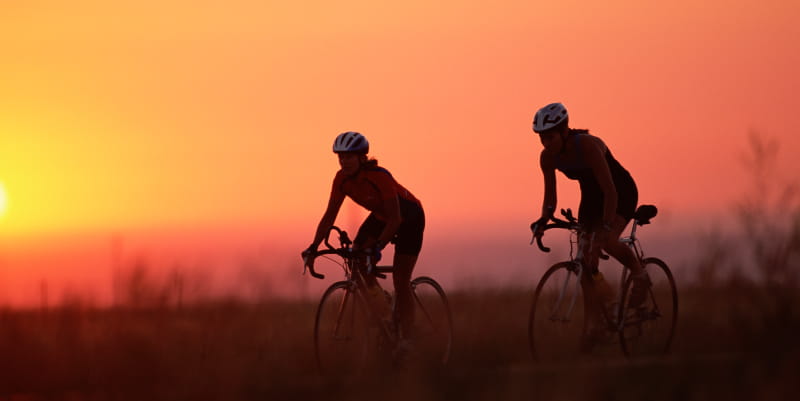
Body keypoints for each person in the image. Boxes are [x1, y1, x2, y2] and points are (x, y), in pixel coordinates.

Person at [530, 103, 651, 344]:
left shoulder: (586, 145)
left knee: (606, 242)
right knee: (585, 263)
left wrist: (606, 227)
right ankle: (597, 321)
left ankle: (640, 275)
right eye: (542, 139)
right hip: (591, 199)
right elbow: (550, 198)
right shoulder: (547, 158)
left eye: (550, 137)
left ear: (564, 131)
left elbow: (609, 189)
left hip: (619, 192)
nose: (546, 143)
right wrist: (543, 219)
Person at [302, 131, 425, 339]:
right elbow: (329, 215)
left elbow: (395, 220)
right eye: (340, 157)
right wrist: (313, 247)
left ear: (361, 157)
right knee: (357, 258)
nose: (343, 161)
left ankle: (409, 338)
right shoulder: (341, 180)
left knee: (401, 280)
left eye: (348, 156)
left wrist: (377, 248)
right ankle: (384, 310)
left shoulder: (379, 176)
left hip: (409, 218)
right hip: (381, 216)